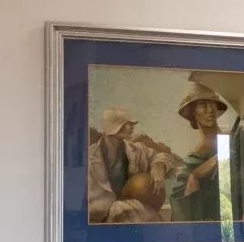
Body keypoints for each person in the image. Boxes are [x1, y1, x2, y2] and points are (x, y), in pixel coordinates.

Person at [86, 107, 176, 223]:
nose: (132, 127)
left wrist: (159, 165)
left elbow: (164, 156)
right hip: (101, 219)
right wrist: (116, 207)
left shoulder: (137, 150)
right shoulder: (89, 157)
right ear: (114, 128)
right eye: (127, 124)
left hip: (131, 213)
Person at [168, 84, 231, 223]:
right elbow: (181, 217)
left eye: (213, 104)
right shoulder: (190, 161)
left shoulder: (231, 142)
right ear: (192, 112)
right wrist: (195, 175)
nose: (210, 110)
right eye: (202, 104)